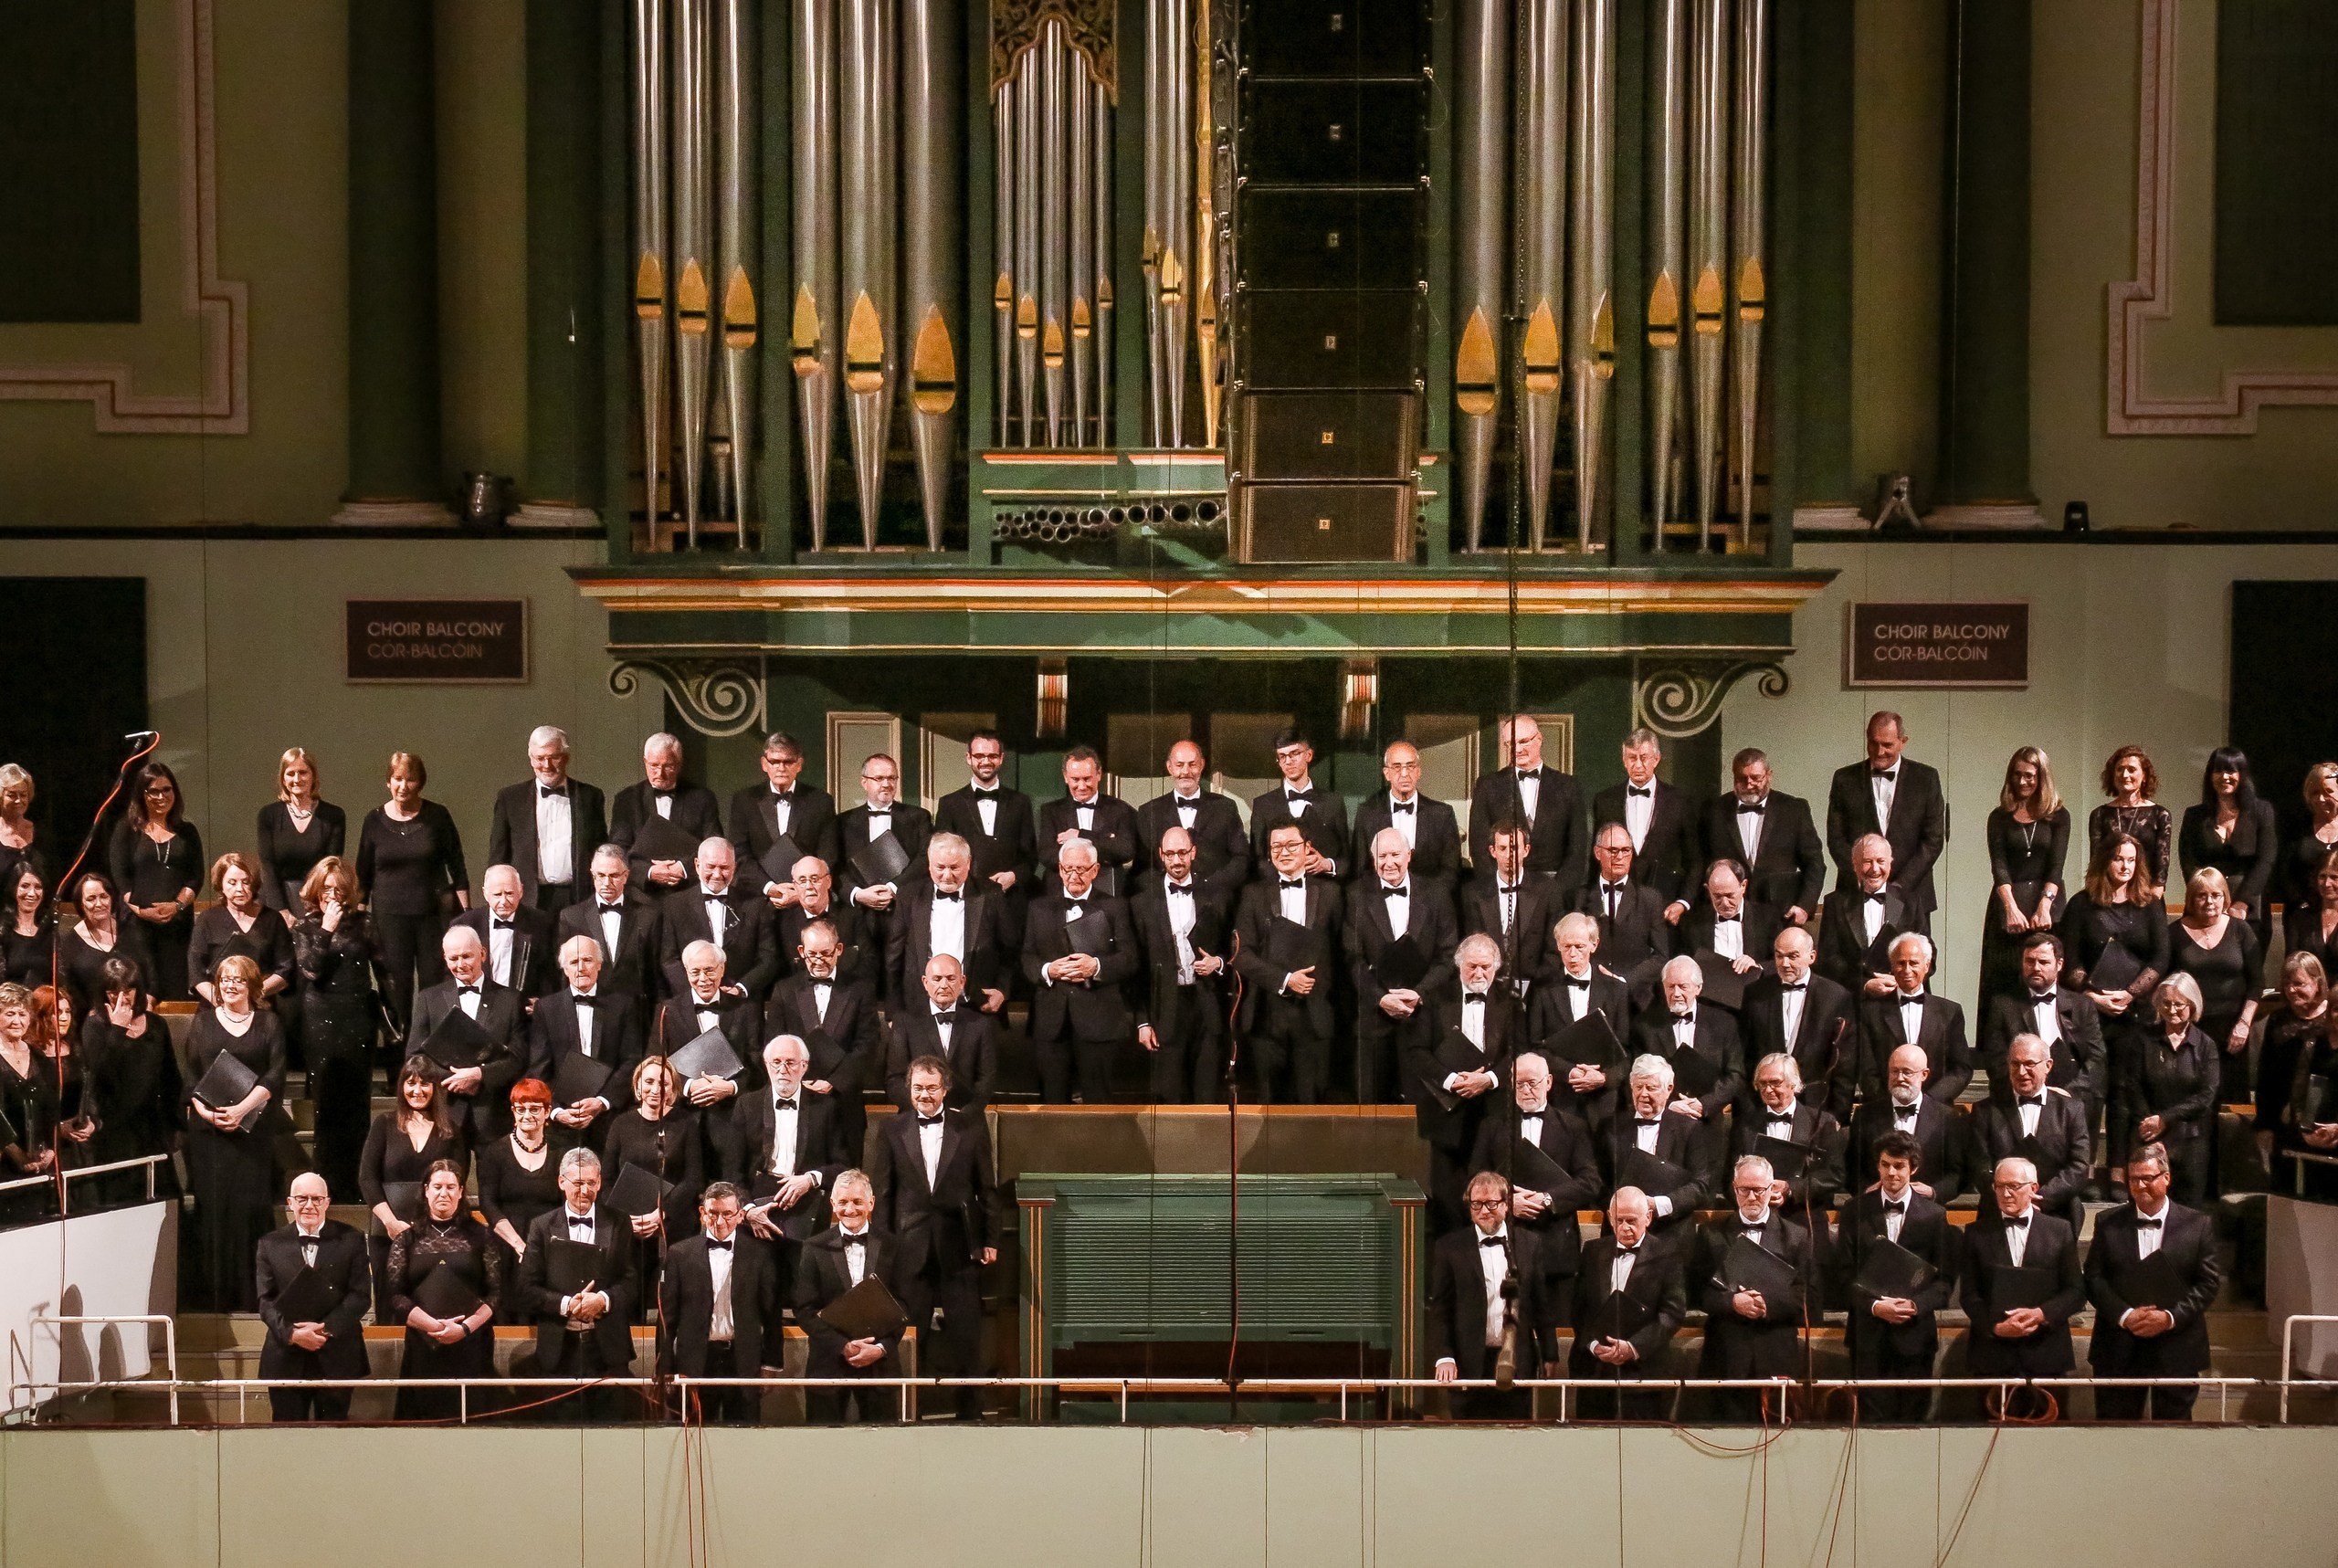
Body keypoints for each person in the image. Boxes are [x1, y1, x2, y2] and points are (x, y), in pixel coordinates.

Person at [870, 1055, 1000, 1420]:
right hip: (908, 1247)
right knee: (911, 1337)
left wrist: (990, 1239)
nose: (924, 1094)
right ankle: (910, 1411)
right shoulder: (891, 1129)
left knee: (966, 1336)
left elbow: (986, 1188)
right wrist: (881, 1248)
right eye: (917, 1088)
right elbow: (883, 1193)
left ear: (945, 1089)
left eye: (931, 1087)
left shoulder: (970, 1126)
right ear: (908, 1090)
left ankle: (971, 1412)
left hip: (961, 1246)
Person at [2085, 1141, 2222, 1422]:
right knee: (2114, 1435)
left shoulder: (2198, 1224)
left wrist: (2170, 1317)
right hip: (2119, 1347)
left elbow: (2208, 1283)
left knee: (2175, 1438)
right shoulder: (2107, 1221)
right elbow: (2094, 1279)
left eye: (2147, 1179)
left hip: (2177, 1346)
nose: (2139, 1186)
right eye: (2133, 1179)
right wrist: (2125, 1315)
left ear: (2166, 1177)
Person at [182, 954, 287, 1310]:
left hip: (250, 1132)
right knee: (214, 1210)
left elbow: (275, 1074)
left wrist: (243, 1109)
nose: (229, 985)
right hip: (208, 1135)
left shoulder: (269, 1023)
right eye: (224, 979)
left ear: (251, 985)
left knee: (248, 1209)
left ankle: (252, 1295)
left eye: (238, 980)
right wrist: (206, 1113)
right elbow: (192, 1075)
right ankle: (216, 1298)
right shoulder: (203, 1022)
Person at [1466, 1052, 1600, 1328]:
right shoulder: (1492, 1126)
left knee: (1558, 1334)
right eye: (1519, 1083)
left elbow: (1590, 1182)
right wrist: (1507, 1202)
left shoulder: (1573, 1127)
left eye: (1533, 1083)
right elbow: (1474, 1181)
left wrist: (1548, 1199)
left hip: (1557, 1250)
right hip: (1506, 1248)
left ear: (1549, 1082)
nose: (1526, 1090)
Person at [1833, 1129, 1955, 1422]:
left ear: (1913, 1168)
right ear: (1877, 1165)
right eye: (1885, 1164)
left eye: (1899, 1166)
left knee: (1913, 1424)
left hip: (1915, 1338)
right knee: (1869, 1426)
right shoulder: (1854, 1211)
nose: (1891, 1172)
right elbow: (1842, 1274)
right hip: (1868, 1337)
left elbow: (1944, 1282)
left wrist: (1915, 1306)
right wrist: (1876, 1306)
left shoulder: (1934, 1215)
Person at [1404, 936, 1519, 1231]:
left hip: (1492, 1112)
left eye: (1485, 968)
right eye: (1472, 967)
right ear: (1458, 967)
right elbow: (1417, 1051)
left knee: (1491, 1195)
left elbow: (1518, 1052)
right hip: (1446, 1116)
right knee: (1448, 1201)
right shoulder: (1435, 998)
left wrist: (1488, 1080)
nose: (1479, 974)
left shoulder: (1510, 1001)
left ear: (1496, 968)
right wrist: (1452, 1081)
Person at [519, 1147, 640, 1422]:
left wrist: (603, 1300)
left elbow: (631, 1282)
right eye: (577, 1183)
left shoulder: (619, 1222)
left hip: (608, 1350)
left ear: (600, 1182)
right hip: (559, 1352)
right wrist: (566, 1305)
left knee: (614, 1435)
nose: (584, 1190)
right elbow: (526, 1289)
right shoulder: (541, 1226)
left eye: (591, 1183)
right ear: (561, 1182)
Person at [1958, 1156, 2085, 1418]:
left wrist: (2041, 1314)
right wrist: (1995, 1327)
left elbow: (2076, 1291)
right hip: (1993, 1355)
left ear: (2034, 1188)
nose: (2005, 1193)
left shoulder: (2060, 1231)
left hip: (2046, 1354)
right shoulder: (1976, 1233)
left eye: (2014, 1186)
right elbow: (1970, 1295)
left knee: (2048, 1445)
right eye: (1999, 1186)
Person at [355, 751, 470, 1038]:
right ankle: (400, 1070)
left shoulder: (437, 816)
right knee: (396, 989)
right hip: (389, 919)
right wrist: (357, 918)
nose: (403, 786)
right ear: (388, 782)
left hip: (434, 917)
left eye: (411, 779)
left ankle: (439, 1065)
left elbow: (457, 867)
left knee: (436, 988)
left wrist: (466, 919)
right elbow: (363, 875)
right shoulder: (374, 820)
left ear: (420, 783)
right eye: (397, 779)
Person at [1693, 1153, 1816, 1422]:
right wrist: (1732, 1303)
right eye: (1744, 1190)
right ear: (1734, 1189)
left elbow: (1806, 1296)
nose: (1751, 1197)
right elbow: (1698, 1293)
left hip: (1776, 1353)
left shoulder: (1797, 1237)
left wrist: (1764, 1307)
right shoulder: (1710, 1235)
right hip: (1725, 1354)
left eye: (1758, 1190)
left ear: (1772, 1190)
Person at [1234, 822, 1347, 1105]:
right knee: (1269, 1111)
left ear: (1308, 848)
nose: (1284, 852)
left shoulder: (1331, 894)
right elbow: (1242, 955)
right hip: (1266, 1018)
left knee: (1313, 1108)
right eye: (1276, 847)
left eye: (1291, 845)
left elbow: (1343, 953)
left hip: (1315, 1016)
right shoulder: (1252, 894)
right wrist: (1285, 979)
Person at [290, 857, 381, 1203]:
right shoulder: (305, 926)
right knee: (326, 1103)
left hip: (358, 1013)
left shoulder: (365, 923)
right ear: (316, 891)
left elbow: (384, 968)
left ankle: (358, 1185)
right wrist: (327, 928)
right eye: (326, 889)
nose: (332, 895)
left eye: (339, 889)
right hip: (321, 1016)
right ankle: (326, 1186)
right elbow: (310, 970)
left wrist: (394, 1016)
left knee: (357, 1103)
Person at [1023, 837, 1141, 1103]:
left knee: (1099, 1103)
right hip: (1051, 1023)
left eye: (1081, 869)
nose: (1073, 875)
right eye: (1067, 869)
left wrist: (1096, 966)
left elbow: (1130, 959)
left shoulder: (1115, 907)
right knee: (1051, 1103)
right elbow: (1027, 957)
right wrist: (1048, 970)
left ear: (1096, 870)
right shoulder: (1038, 907)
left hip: (1099, 1021)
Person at [1347, 827, 1459, 1104]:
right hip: (1374, 1020)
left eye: (1395, 854)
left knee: (1421, 1107)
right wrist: (1381, 998)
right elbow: (1352, 958)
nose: (1389, 862)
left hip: (1424, 1017)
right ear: (1373, 862)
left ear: (1409, 855)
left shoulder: (1436, 894)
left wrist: (1419, 993)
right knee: (1370, 1106)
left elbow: (1448, 956)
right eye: (1381, 856)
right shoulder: (1356, 896)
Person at [385, 1157, 500, 1420]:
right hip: (423, 1345)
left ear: (461, 1192)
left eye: (451, 1187)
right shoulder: (407, 1238)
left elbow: (495, 1294)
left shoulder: (482, 1235)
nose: (443, 1193)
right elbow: (395, 1295)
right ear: (426, 1190)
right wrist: (432, 1326)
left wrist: (465, 1328)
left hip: (472, 1343)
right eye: (437, 1187)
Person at [1428, 1171, 1549, 1420]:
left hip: (1517, 1360)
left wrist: (1549, 1354)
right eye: (1476, 1204)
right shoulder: (1449, 1248)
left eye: (1491, 1204)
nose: (1484, 1211)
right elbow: (1441, 1308)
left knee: (1514, 1440)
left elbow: (1540, 1304)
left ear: (1506, 1205)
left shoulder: (1530, 1244)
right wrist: (1444, 1356)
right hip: (1468, 1360)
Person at [253, 1173, 371, 1421]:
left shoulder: (352, 1239)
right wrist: (293, 1334)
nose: (309, 1205)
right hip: (286, 1357)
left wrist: (326, 1329)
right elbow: (265, 1301)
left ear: (327, 1202)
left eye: (317, 1199)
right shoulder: (269, 1244)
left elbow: (360, 1296)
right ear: (290, 1202)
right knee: (287, 1435)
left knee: (334, 1436)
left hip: (337, 1354)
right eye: (302, 1198)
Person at [361, 1055, 469, 1320]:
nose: (417, 1091)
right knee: (391, 1307)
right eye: (411, 1083)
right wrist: (390, 1223)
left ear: (436, 1088)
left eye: (425, 1084)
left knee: (431, 1306)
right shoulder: (384, 1124)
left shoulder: (450, 1130)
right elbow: (367, 1177)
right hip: (387, 1232)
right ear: (401, 1087)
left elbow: (458, 1179)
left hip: (436, 1234)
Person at [1130, 826, 1233, 1103]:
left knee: (1208, 1096)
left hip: (1207, 1007)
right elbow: (1136, 968)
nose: (1177, 861)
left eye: (1183, 853)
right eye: (1171, 854)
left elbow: (1234, 950)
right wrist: (1142, 1022)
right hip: (1164, 1010)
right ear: (1161, 855)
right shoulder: (1141, 903)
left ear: (1193, 853)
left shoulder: (1216, 895)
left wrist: (1219, 962)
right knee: (1170, 1098)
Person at [793, 1167, 904, 1423]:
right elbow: (805, 1310)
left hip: (880, 1367)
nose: (850, 1210)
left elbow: (904, 1304)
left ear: (871, 1203)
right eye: (842, 1202)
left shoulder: (893, 1246)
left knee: (881, 1448)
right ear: (832, 1204)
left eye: (857, 1202)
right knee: (824, 1449)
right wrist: (842, 1346)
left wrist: (881, 1348)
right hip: (828, 1365)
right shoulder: (812, 1248)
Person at [1567, 1186, 1689, 1421]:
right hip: (1594, 1373)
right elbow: (1579, 1310)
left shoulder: (1669, 1254)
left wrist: (1632, 1348)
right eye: (1618, 1220)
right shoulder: (1592, 1251)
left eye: (1631, 1221)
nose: (1624, 1227)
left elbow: (1672, 1313)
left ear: (1648, 1218)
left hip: (1644, 1376)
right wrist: (1593, 1345)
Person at [659, 1181, 775, 1425]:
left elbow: (770, 1312)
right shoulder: (680, 1254)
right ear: (702, 1213)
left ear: (740, 1215)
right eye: (713, 1214)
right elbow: (667, 1316)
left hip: (742, 1360)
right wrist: (665, 1366)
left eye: (727, 1214)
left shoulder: (760, 1254)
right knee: (693, 1437)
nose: (720, 1222)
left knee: (744, 1436)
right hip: (695, 1362)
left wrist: (772, 1363)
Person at [763, 917, 879, 1153]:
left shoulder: (860, 990)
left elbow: (867, 1044)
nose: (818, 961)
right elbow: (774, 1043)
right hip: (799, 1102)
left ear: (839, 950)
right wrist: (798, 1082)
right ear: (801, 951)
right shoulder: (784, 990)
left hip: (844, 1102)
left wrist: (834, 1083)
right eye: (812, 954)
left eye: (825, 953)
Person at [1826, 711, 1949, 924]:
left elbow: (1933, 840)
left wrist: (1898, 887)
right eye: (1873, 744)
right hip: (1856, 894)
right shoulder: (1844, 779)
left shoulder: (1926, 779)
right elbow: (1836, 838)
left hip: (1911, 894)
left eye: (1887, 745)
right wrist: (1864, 877)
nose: (1879, 751)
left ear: (1903, 742)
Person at [736, 1035, 846, 1268]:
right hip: (758, 1207)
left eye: (790, 1062)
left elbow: (843, 1165)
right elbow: (733, 1170)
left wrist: (810, 1179)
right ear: (766, 1065)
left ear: (804, 1066)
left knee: (803, 1292)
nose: (782, 1069)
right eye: (776, 1062)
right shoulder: (747, 1105)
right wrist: (748, 1211)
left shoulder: (826, 1108)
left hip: (808, 1206)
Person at [1963, 1033, 2091, 1232]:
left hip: (2056, 1212)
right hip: (1999, 1213)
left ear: (2048, 1065)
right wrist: (2011, 1197)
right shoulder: (1986, 1111)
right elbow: (1979, 1164)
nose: (2021, 1072)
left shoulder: (2071, 1109)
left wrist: (2038, 1198)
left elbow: (2079, 1166)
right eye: (2015, 1064)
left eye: (2029, 1064)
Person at [80, 956, 182, 1207]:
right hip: (115, 1131)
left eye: (129, 990)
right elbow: (98, 1076)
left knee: (165, 1203)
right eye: (114, 992)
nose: (123, 998)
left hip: (152, 1128)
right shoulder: (95, 1026)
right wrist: (116, 1030)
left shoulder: (156, 1025)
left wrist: (178, 1125)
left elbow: (171, 1076)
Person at [410, 926, 525, 1143]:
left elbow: (517, 1058)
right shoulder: (428, 999)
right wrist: (456, 1079)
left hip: (493, 1114)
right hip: (446, 1111)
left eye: (466, 956)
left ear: (482, 953)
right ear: (445, 958)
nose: (460, 965)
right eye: (453, 958)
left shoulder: (510, 1000)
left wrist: (479, 1076)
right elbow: (415, 1057)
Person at [2114, 973, 2221, 1204]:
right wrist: (2150, 1125)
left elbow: (2206, 1095)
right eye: (2166, 1003)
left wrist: (2165, 1119)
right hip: (2149, 1136)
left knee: (2187, 1213)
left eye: (2179, 1005)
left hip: (2190, 1141)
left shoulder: (2205, 1045)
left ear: (2192, 1006)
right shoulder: (2143, 1039)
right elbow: (2133, 1086)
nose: (2172, 1010)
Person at [1978, 932, 2106, 1124]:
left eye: (2044, 962)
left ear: (2059, 964)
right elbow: (1996, 1061)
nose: (2035, 968)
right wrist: (2032, 1091)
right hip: (2020, 1102)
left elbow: (2096, 1058)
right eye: (2029, 961)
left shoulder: (2083, 1006)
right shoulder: (2003, 1005)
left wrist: (2069, 1092)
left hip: (2072, 1102)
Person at [529, 934, 645, 1147]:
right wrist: (555, 1111)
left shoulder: (623, 1005)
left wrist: (602, 1102)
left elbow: (632, 1060)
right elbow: (539, 1068)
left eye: (587, 960)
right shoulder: (546, 1008)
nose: (581, 967)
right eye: (574, 962)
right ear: (564, 969)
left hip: (610, 1119)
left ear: (599, 965)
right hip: (562, 1122)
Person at [1980, 747, 2070, 1014]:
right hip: (2010, 907)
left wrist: (2045, 907)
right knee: (2005, 981)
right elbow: (1999, 866)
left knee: (2044, 977)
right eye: (2017, 775)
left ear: (2042, 778)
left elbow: (2056, 866)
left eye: (2030, 776)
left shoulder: (2059, 816)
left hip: (2046, 906)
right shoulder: (1999, 817)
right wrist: (2010, 907)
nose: (2022, 782)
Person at [885, 833, 1012, 1016]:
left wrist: (1002, 990)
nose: (947, 875)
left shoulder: (991, 894)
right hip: (919, 1009)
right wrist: (894, 1011)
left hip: (977, 1006)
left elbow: (1010, 950)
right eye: (940, 867)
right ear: (929, 864)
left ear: (968, 863)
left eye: (954, 867)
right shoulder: (909, 895)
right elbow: (894, 957)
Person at [487, 725, 607, 913]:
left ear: (566, 757)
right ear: (530, 759)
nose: (547, 765)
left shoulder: (590, 796)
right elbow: (498, 855)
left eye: (554, 757)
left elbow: (600, 850)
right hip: (528, 900)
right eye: (540, 758)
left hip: (578, 898)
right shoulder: (510, 799)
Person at [1525, 911, 1632, 1124]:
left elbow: (1626, 1051)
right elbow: (1536, 1047)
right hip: (1560, 1098)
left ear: (1594, 945)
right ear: (1558, 946)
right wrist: (1569, 1072)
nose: (1572, 954)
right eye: (1567, 947)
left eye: (1579, 947)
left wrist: (1603, 1079)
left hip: (1605, 1105)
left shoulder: (1616, 991)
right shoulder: (1542, 989)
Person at [1740, 927, 1855, 1121]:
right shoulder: (1754, 994)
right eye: (1779, 956)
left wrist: (1837, 1117)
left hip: (1818, 1109)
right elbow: (1746, 1055)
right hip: (1764, 1109)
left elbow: (1845, 1064)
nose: (1784, 963)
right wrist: (1750, 1110)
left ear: (1812, 956)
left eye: (1793, 956)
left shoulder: (1836, 997)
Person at [1701, 748, 1826, 927]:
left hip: (1781, 913)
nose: (1749, 784)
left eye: (1756, 778)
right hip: (1728, 914)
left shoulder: (1794, 809)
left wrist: (1804, 906)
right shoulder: (1713, 811)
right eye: (1741, 778)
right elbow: (1703, 862)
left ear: (1769, 775)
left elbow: (1814, 863)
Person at [932, 730, 1040, 934]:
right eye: (979, 756)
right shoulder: (950, 803)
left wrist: (1013, 876)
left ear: (1001, 759)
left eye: (991, 756)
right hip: (966, 901)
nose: (985, 761)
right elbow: (941, 854)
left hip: (1011, 902)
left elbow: (1030, 856)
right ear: (968, 758)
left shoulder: (1020, 802)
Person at [110, 761, 201, 1003]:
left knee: (175, 996)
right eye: (153, 791)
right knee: (140, 996)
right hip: (137, 928)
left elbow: (195, 878)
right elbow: (121, 879)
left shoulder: (188, 832)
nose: (161, 796)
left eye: (167, 789)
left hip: (176, 929)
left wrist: (177, 906)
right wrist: (142, 911)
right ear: (142, 794)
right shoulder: (126, 829)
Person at [476, 1079, 572, 1311]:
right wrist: (520, 1246)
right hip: (506, 1245)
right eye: (521, 1109)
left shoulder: (561, 1150)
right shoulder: (495, 1152)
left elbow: (566, 1203)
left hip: (550, 1246)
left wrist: (543, 1248)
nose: (527, 1115)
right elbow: (487, 1204)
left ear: (547, 1112)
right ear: (513, 1111)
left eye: (535, 1109)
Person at [604, 1054, 707, 1258]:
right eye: (649, 1082)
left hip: (674, 1225)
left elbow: (694, 1179)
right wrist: (626, 1219)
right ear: (637, 1085)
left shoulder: (686, 1124)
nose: (656, 1089)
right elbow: (606, 1180)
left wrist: (661, 1213)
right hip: (628, 1225)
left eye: (664, 1083)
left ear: (672, 1090)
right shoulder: (620, 1124)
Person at [1854, 933, 1973, 1107]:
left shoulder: (1950, 1012)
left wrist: (1928, 1102)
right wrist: (1891, 1101)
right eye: (1901, 963)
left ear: (1927, 965)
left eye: (1914, 963)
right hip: (1885, 1109)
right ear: (1892, 967)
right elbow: (1866, 1069)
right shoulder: (1871, 1013)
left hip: (1936, 1111)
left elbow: (1961, 1069)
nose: (1907, 970)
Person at [658, 837, 782, 1003]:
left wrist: (740, 989)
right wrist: (699, 992)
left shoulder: (755, 904)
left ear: (734, 867)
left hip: (742, 1005)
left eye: (724, 868)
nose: (717, 874)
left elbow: (768, 957)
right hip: (692, 1004)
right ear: (697, 865)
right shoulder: (674, 905)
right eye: (711, 867)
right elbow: (669, 959)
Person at [1596, 1055, 1713, 1227]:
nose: (1643, 1094)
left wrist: (1659, 1205)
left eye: (1651, 1088)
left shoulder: (1690, 1129)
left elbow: (1700, 1185)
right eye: (1638, 1087)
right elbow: (1598, 1181)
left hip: (1671, 1231)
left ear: (1669, 1089)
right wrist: (1625, 1208)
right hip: (1620, 1230)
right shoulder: (1609, 1127)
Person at [1469, 714, 1584, 888]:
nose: (1517, 749)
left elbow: (1577, 849)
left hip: (1554, 890)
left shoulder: (1568, 786)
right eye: (1511, 744)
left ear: (1539, 739)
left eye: (1523, 741)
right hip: (1505, 890)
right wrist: (1498, 889)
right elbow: (1479, 847)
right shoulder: (1488, 786)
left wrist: (1557, 894)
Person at [2180, 747, 2278, 950]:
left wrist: (2241, 903)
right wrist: (2209, 900)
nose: (2224, 777)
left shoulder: (2261, 811)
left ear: (2241, 775)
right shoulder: (2194, 816)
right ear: (2210, 776)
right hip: (2204, 906)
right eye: (2218, 771)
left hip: (2250, 907)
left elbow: (2266, 859)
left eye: (2231, 771)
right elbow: (2188, 861)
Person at [1591, 728, 1701, 906]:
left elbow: (1694, 860)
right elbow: (1596, 858)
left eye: (1644, 758)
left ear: (1656, 759)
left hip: (1665, 903)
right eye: (1632, 758)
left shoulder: (1679, 801)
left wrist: (1683, 902)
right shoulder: (1605, 800)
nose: (1638, 765)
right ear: (1624, 761)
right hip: (1616, 904)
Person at [2166, 868, 2262, 1072]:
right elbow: (2164, 986)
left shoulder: (2241, 930)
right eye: (2202, 896)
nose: (2210, 901)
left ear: (2225, 897)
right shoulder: (2173, 934)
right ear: (2191, 900)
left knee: (2232, 1100)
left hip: (2234, 1030)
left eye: (2216, 895)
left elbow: (2256, 983)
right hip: (2189, 1030)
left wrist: (2244, 1024)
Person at [1626, 955, 1744, 1121]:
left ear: (1698, 988)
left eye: (1683, 987)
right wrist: (1670, 1105)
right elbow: (1636, 1076)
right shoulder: (1645, 1026)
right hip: (1664, 1119)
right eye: (1671, 986)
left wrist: (1705, 1104)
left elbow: (1736, 1075)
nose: (1676, 993)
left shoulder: (1724, 1023)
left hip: (1708, 1120)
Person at [833, 752, 933, 944]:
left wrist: (894, 888)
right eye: (879, 778)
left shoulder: (919, 817)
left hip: (905, 912)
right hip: (857, 915)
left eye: (891, 778)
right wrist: (858, 894)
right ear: (864, 782)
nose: (886, 784)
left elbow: (925, 858)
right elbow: (835, 867)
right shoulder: (842, 822)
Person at [728, 730, 839, 901]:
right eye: (775, 762)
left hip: (806, 901)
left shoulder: (821, 801)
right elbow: (740, 854)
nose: (781, 768)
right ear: (764, 764)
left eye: (788, 762)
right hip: (757, 898)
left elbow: (828, 854)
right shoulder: (744, 801)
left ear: (799, 764)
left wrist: (802, 890)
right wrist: (770, 888)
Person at [1135, 740, 1253, 900]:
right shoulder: (1149, 812)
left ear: (1202, 765)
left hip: (1216, 904)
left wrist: (1213, 885)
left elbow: (1241, 859)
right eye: (1179, 765)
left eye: (1192, 764)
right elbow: (1142, 868)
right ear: (1169, 767)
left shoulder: (1225, 807)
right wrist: (1164, 891)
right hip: (1166, 905)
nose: (1186, 771)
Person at [885, 953, 1000, 1112]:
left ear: (962, 982)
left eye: (951, 978)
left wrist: (969, 1112)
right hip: (915, 1118)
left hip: (966, 1120)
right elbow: (895, 1079)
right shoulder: (904, 1022)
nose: (944, 985)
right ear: (925, 982)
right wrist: (923, 1109)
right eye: (937, 979)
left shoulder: (981, 1024)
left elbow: (987, 1078)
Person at [1729, 1053, 1844, 1210]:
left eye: (1775, 1083)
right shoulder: (1744, 1125)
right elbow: (1730, 1176)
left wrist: (1790, 1189)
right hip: (1759, 1215)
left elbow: (1834, 1175)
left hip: (1804, 1215)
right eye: (1762, 1084)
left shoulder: (1822, 1122)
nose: (1768, 1090)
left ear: (1793, 1084)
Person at [1847, 1045, 1959, 1207]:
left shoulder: (1948, 1118)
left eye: (1907, 1072)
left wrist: (1934, 1191)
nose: (1899, 1078)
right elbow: (1852, 1167)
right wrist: (1865, 1191)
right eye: (1894, 1071)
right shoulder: (1865, 1115)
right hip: (1874, 1209)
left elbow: (1957, 1173)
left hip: (1927, 1213)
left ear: (1924, 1075)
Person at [610, 732, 722, 893]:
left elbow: (714, 845)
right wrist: (649, 872)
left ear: (679, 764)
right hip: (641, 895)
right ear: (645, 762)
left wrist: (683, 868)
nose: (659, 774)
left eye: (667, 766)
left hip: (687, 891)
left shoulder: (702, 799)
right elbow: (619, 850)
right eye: (654, 765)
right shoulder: (627, 800)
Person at [1815, 834, 1923, 997]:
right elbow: (1828, 958)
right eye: (1867, 862)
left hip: (1900, 998)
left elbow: (1928, 953)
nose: (1875, 869)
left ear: (1890, 862)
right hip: (1853, 999)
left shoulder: (1911, 902)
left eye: (1881, 861)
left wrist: (1901, 979)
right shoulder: (1835, 903)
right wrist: (1864, 984)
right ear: (1855, 865)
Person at [1348, 741, 1460, 897]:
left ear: (1418, 772)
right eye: (1397, 767)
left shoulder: (1442, 814)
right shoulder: (1368, 813)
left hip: (1430, 907)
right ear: (1386, 773)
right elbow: (1360, 869)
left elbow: (1451, 870)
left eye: (1410, 766)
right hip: (1381, 904)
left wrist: (1430, 903)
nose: (1404, 773)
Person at [1460, 819, 1562, 991]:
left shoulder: (1548, 890)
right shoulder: (1473, 893)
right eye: (1503, 848)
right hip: (1488, 989)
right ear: (1493, 851)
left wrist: (1533, 987)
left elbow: (1554, 950)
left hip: (1535, 989)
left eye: (1514, 848)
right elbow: (1468, 946)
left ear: (1526, 850)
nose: (1509, 854)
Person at [191, 851, 296, 1013]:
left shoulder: (272, 920)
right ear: (221, 885)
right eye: (232, 883)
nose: (240, 889)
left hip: (260, 1007)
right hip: (216, 1008)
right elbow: (196, 971)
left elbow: (285, 969)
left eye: (246, 882)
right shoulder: (207, 920)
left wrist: (252, 995)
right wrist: (223, 1002)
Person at [2253, 955, 2330, 1173]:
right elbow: (2265, 1075)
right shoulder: (2278, 1020)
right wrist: (2265, 1124)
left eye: (2299, 983)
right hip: (2283, 1123)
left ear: (2318, 983)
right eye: (2287, 984)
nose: (2291, 990)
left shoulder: (2332, 1017)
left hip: (2324, 1122)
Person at [558, 844, 659, 1005]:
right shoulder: (572, 917)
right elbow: (565, 974)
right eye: (601, 875)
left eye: (614, 875)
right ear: (592, 874)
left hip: (637, 1011)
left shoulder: (648, 916)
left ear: (626, 876)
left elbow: (655, 973)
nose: (606, 882)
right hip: (590, 1007)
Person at [1571, 822, 1671, 982]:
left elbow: (1661, 956)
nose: (1620, 857)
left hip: (1635, 995)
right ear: (1597, 852)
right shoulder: (1580, 896)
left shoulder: (1650, 899)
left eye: (1626, 851)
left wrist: (1625, 982)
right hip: (1591, 988)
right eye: (1613, 850)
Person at [256, 747, 345, 921]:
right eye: (290, 773)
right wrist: (281, 910)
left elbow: (330, 866)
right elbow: (267, 865)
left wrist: (315, 908)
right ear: (283, 778)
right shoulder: (268, 815)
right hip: (275, 902)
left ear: (313, 776)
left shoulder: (334, 815)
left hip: (317, 902)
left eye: (303, 773)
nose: (297, 779)